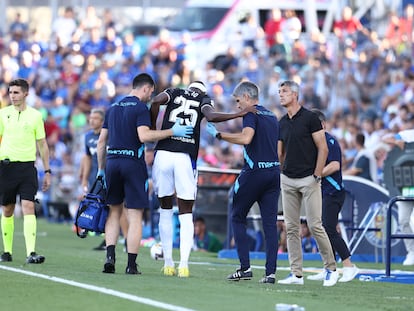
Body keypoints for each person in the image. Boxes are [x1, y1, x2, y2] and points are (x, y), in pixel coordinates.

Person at [150, 80, 255, 278]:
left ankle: (168, 264)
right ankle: (183, 265)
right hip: (184, 157)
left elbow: (155, 100)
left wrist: (152, 123)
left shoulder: (174, 92)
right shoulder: (203, 99)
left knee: (164, 208)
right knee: (186, 212)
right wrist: (238, 114)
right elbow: (212, 116)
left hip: (163, 153)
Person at [96, 73, 193, 275]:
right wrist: (171, 132)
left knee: (114, 212)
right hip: (132, 162)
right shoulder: (140, 107)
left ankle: (110, 257)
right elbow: (144, 136)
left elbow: (101, 143)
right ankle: (131, 265)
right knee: (135, 215)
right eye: (151, 92)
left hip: (112, 162)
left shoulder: (112, 108)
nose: (151, 96)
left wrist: (100, 169)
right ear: (146, 88)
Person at [206, 81, 280, 284]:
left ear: (247, 97)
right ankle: (271, 273)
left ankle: (245, 268)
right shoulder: (273, 116)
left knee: (237, 216)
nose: (238, 106)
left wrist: (220, 135)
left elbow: (247, 139)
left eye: (238, 101)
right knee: (270, 225)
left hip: (254, 173)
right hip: (273, 173)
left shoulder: (250, 114)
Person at [277, 80, 338, 287]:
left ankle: (331, 268)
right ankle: (296, 274)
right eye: (279, 92)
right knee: (291, 228)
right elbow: (280, 152)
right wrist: (281, 171)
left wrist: (317, 174)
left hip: (308, 179)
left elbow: (323, 149)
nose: (280, 95)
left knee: (315, 225)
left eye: (284, 91)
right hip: (288, 179)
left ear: (295, 94)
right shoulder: (282, 122)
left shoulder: (311, 118)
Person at [0, 78, 51, 264]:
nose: (12, 96)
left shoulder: (36, 116)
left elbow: (43, 144)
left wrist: (47, 170)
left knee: (28, 206)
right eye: (10, 92)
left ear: (26, 94)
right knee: (8, 209)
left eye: (16, 92)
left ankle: (31, 252)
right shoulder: (3, 114)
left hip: (27, 167)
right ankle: (6, 251)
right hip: (6, 167)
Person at [307, 109, 359, 282]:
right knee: (320, 229)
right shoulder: (313, 143)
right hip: (321, 192)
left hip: (333, 191)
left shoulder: (330, 141)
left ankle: (349, 266)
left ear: (322, 125)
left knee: (329, 229)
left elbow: (335, 165)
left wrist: (317, 174)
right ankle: (330, 267)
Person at [382, 121, 414, 265]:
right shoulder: (406, 134)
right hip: (405, 186)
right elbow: (385, 138)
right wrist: (398, 142)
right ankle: (411, 252)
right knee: (403, 220)